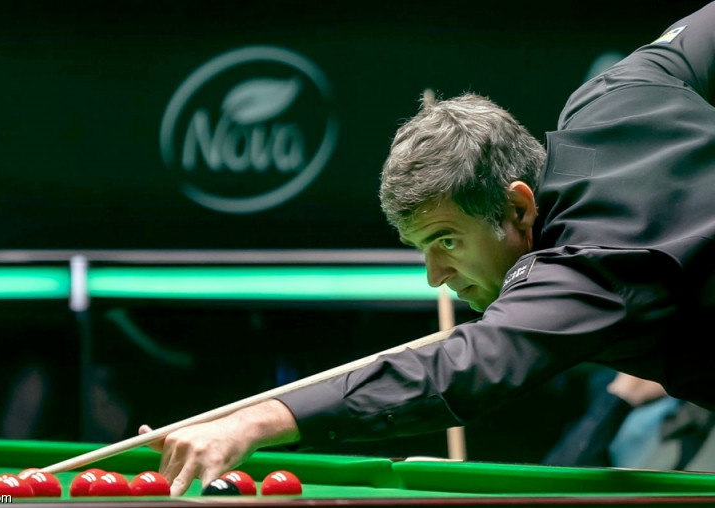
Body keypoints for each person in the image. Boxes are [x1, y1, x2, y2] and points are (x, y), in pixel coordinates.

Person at [140, 2, 715, 495]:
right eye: (423, 248)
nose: (436, 275)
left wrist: (255, 422)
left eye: (446, 240)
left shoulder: (587, 268)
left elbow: (459, 367)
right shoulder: (615, 95)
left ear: (518, 209)